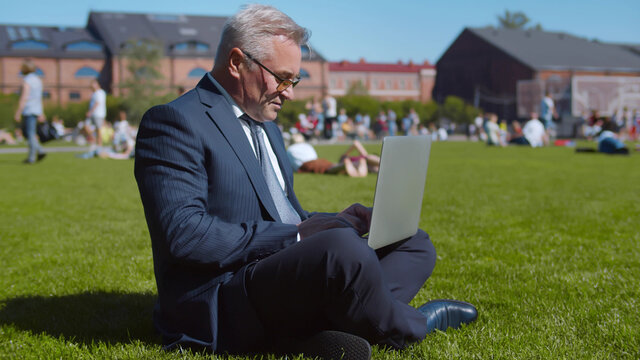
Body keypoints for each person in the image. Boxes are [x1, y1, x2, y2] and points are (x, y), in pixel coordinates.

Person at [134, 5, 477, 360]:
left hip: (278, 271)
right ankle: (414, 323)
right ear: (237, 62)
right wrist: (299, 236)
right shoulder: (174, 122)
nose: (290, 93)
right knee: (344, 252)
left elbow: (282, 212)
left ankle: (319, 328)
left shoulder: (267, 125)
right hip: (224, 295)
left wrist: (339, 219)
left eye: (293, 80)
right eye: (282, 78)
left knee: (411, 240)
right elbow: (186, 235)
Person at [14, 60, 46, 164]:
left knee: (30, 133)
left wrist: (18, 111)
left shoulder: (27, 80)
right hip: (36, 109)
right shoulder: (38, 80)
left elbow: (24, 97)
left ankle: (35, 155)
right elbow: (39, 98)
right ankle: (35, 154)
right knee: (30, 133)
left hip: (28, 109)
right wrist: (41, 112)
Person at [85, 79, 107, 147]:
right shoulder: (94, 93)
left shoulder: (100, 92)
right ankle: (94, 141)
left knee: (98, 130)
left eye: (94, 84)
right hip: (93, 114)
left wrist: (90, 111)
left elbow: (97, 103)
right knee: (86, 126)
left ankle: (99, 145)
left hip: (98, 114)